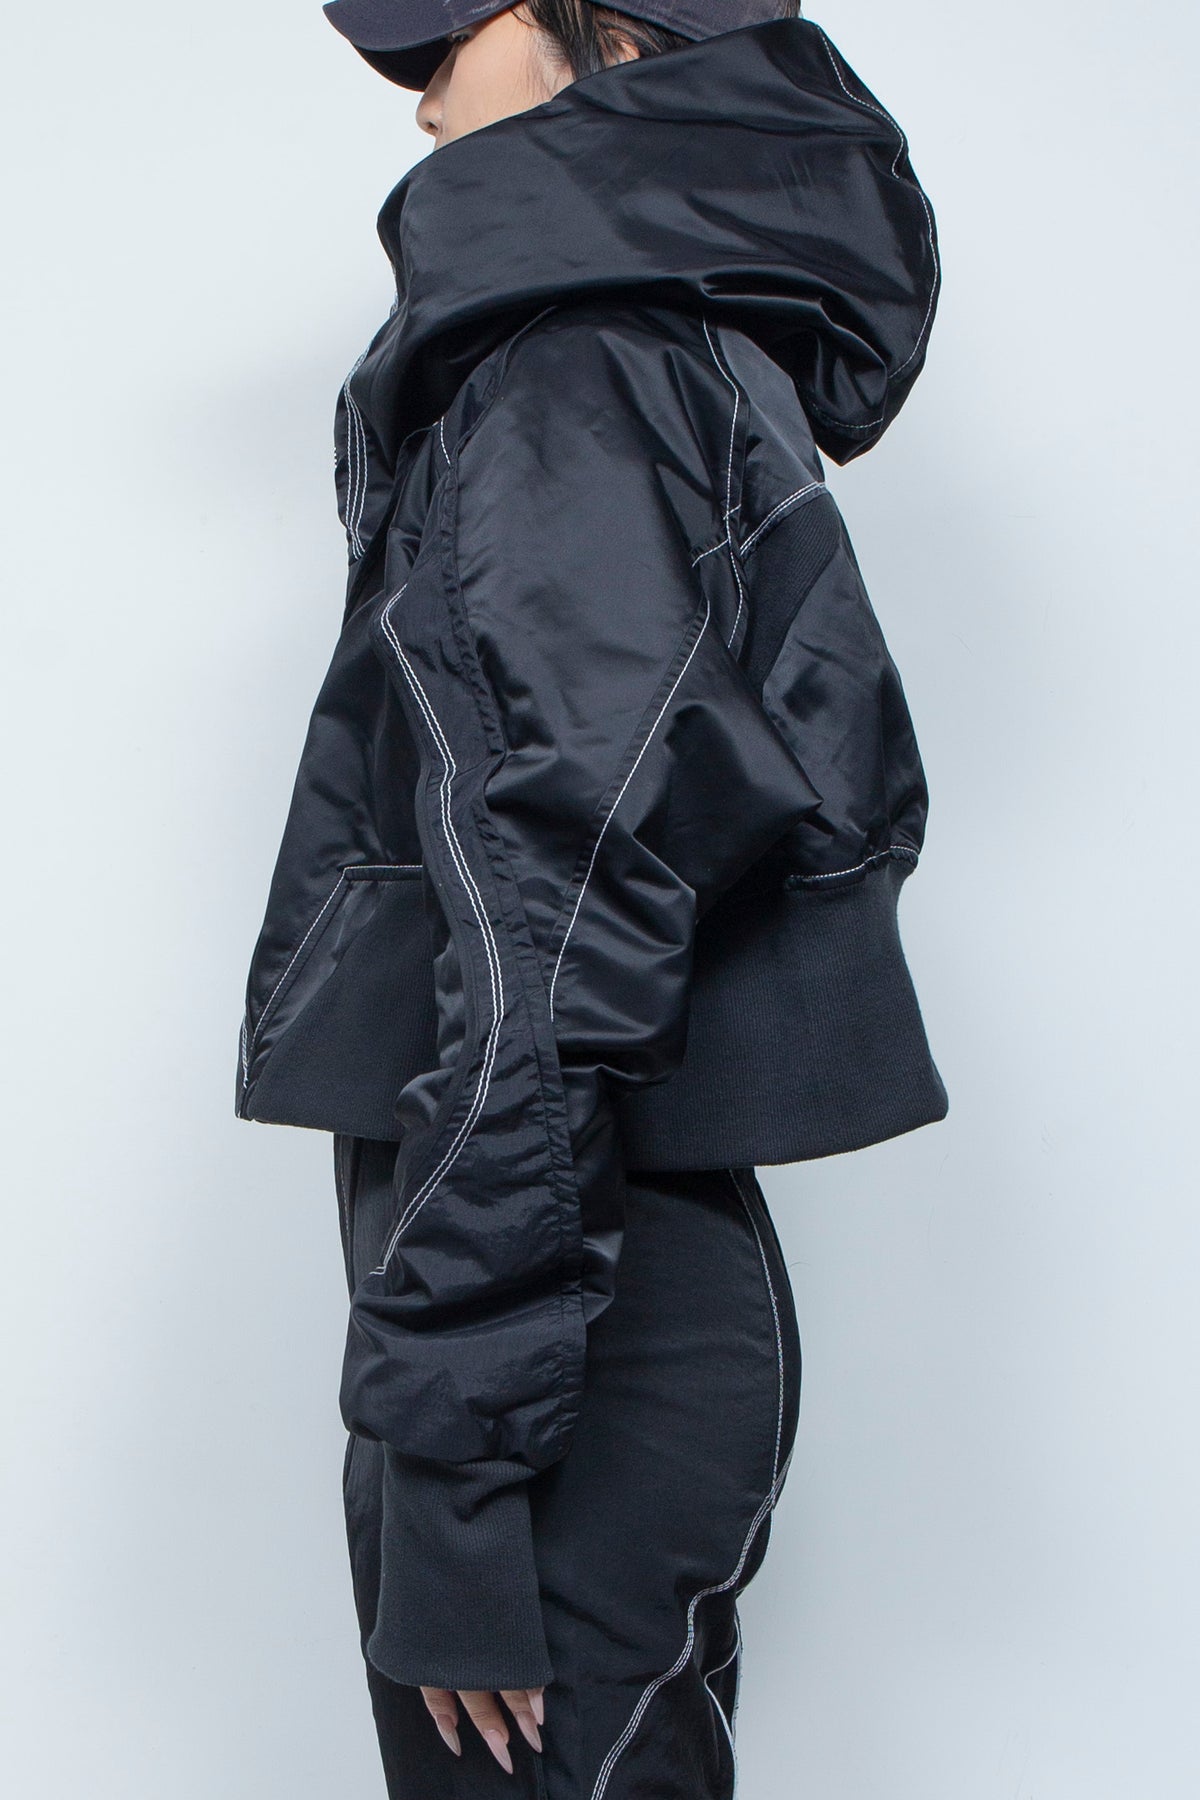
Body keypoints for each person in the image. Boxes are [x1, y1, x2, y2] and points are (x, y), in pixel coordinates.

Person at [234, 2, 948, 1793]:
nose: (418, 105)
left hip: (566, 1358)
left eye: (443, 41)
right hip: (589, 1291)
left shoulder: (578, 372)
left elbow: (546, 932)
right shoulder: (638, 353)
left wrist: (458, 1474)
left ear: (611, 39)